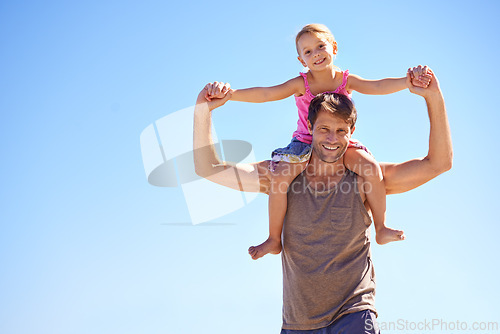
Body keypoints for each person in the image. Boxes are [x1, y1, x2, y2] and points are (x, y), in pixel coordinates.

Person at [193, 68, 452, 333]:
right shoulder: (281, 176)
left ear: (351, 132)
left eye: (341, 131)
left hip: (354, 314)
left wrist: (433, 96)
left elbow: (438, 163)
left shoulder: (365, 178)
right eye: (324, 130)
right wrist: (204, 108)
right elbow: (208, 168)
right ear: (309, 128)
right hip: (298, 324)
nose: (332, 139)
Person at [204, 24, 432, 260]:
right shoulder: (300, 84)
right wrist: (231, 94)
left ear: (333, 47)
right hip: (305, 144)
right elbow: (266, 94)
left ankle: (381, 228)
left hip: (339, 143)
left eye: (320, 46)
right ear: (301, 60)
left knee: (371, 168)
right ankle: (273, 239)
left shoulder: (346, 80)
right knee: (280, 178)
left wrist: (407, 82)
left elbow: (377, 86)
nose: (316, 54)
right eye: (308, 52)